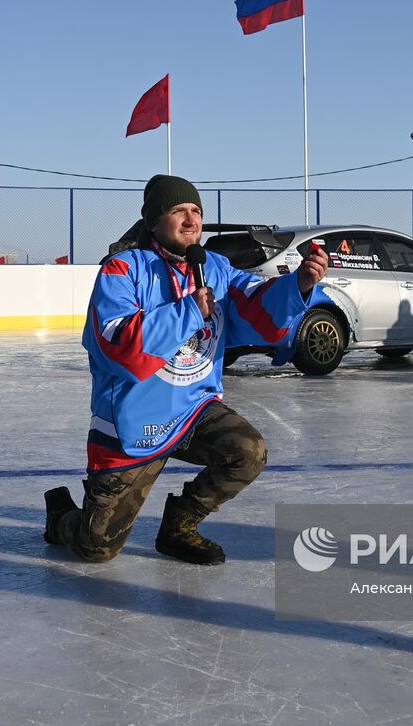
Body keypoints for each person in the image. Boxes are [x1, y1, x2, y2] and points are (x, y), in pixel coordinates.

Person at [44, 174, 328, 564]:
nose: (191, 219)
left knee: (248, 451)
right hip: (135, 423)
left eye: (196, 211)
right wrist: (190, 310)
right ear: (154, 221)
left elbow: (255, 305)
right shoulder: (123, 270)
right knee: (97, 549)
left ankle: (180, 525)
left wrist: (300, 285)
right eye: (178, 211)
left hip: (194, 410)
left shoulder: (215, 267)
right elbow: (120, 345)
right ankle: (61, 516)